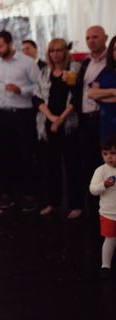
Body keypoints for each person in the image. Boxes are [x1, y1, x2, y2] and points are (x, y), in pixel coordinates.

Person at [0, 30, 40, 210]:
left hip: (23, 114)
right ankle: (8, 193)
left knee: (26, 153)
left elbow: (39, 87)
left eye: (1, 46)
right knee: (5, 155)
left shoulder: (28, 63)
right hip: (3, 114)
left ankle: (29, 195)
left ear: (10, 44)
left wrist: (21, 90)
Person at [33, 39, 83, 219]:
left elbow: (76, 99)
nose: (55, 54)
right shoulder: (45, 72)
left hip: (68, 124)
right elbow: (37, 98)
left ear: (65, 51)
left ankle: (76, 205)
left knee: (72, 166)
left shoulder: (74, 69)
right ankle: (52, 202)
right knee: (50, 165)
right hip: (48, 122)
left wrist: (60, 119)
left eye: (59, 50)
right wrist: (51, 117)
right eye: (52, 50)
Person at [73, 25, 109, 218]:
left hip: (104, 118)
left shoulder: (110, 63)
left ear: (105, 38)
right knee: (88, 163)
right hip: (85, 119)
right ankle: (93, 206)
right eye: (88, 37)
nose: (91, 41)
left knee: (107, 162)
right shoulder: (85, 64)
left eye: (95, 37)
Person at [89, 133, 116, 279]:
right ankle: (105, 265)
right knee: (110, 240)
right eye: (105, 154)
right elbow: (93, 190)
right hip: (108, 213)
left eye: (113, 153)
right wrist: (103, 185)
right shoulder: (101, 171)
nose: (109, 157)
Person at [89, 35, 116, 140]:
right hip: (106, 123)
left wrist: (101, 95)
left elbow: (97, 95)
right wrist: (113, 91)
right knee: (108, 154)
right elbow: (91, 94)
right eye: (114, 49)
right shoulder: (107, 71)